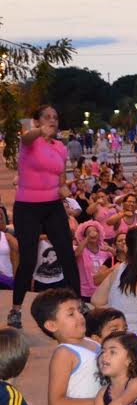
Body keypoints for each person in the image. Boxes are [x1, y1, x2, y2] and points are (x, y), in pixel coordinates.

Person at [29, 289, 123, 405]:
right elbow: (56, 403)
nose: (80, 316)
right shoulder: (65, 353)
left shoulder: (92, 343)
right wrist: (101, 401)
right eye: (71, 314)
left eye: (80, 310)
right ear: (51, 325)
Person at [9, 105, 80, 329]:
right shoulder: (29, 140)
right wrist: (40, 131)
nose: (53, 121)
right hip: (27, 207)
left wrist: (63, 190)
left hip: (52, 206)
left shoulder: (60, 147)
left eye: (56, 117)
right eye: (47, 117)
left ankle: (78, 303)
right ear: (37, 121)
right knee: (28, 259)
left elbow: (60, 177)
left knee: (67, 255)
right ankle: (16, 309)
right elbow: (28, 135)